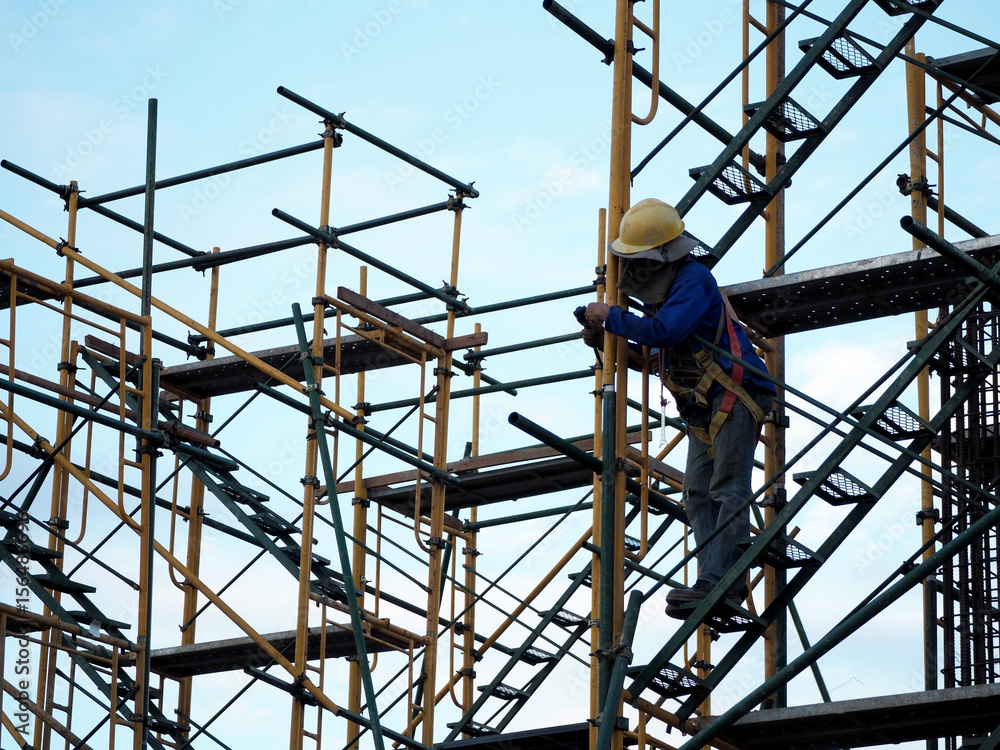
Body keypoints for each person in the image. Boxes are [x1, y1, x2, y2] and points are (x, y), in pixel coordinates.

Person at [580, 198, 775, 617]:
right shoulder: (665, 298)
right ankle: (712, 580)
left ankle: (727, 579)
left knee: (726, 486)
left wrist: (612, 316)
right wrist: (606, 340)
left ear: (662, 256)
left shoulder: (693, 280)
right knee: (696, 493)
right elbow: (655, 357)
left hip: (735, 394)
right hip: (705, 404)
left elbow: (665, 332)